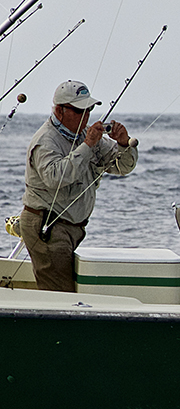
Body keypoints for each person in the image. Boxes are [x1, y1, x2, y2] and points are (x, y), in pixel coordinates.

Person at [20, 80, 137, 291]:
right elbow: (55, 178)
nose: (86, 116)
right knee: (60, 296)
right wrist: (87, 146)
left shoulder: (87, 136)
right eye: (79, 110)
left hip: (73, 229)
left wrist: (122, 143)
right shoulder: (46, 141)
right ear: (59, 111)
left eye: (89, 109)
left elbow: (122, 168)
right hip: (48, 227)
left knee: (70, 291)